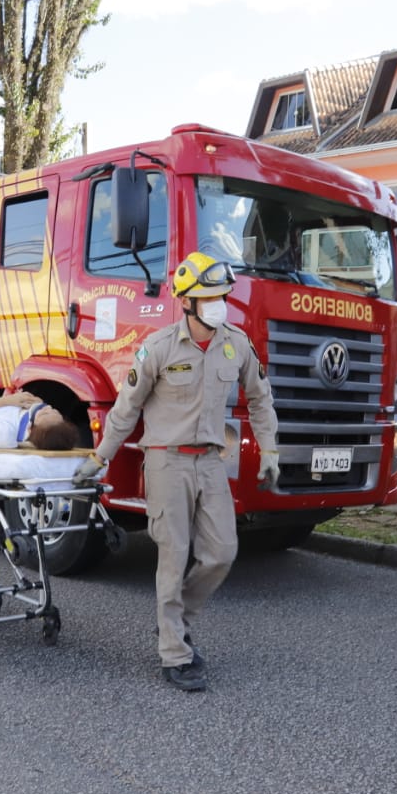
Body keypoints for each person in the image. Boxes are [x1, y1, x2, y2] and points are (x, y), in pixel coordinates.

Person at [72, 252, 278, 692]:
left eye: (221, 295)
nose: (218, 304)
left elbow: (260, 399)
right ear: (187, 302)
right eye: (208, 297)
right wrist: (101, 456)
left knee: (222, 552)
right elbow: (126, 409)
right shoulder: (160, 347)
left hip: (209, 462)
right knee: (173, 554)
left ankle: (175, 622)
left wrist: (270, 451)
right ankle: (174, 653)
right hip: (166, 461)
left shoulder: (235, 344)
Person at [0, 391, 78, 450]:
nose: (48, 408)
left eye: (45, 412)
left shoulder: (5, 434)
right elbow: (39, 404)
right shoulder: (35, 425)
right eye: (53, 410)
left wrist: (6, 400)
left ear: (30, 428)